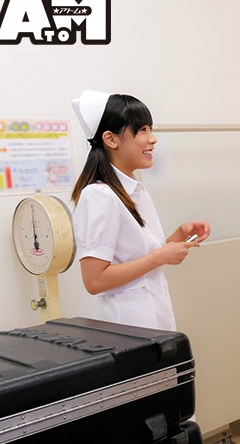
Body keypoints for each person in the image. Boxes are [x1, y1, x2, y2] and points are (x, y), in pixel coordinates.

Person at [71, 90, 210, 331]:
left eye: (150, 129)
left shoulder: (134, 190)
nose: (152, 139)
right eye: (142, 130)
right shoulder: (99, 195)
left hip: (152, 319)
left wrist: (178, 236)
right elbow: (94, 280)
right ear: (111, 139)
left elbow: (137, 255)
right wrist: (160, 257)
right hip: (127, 326)